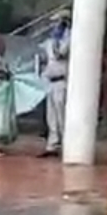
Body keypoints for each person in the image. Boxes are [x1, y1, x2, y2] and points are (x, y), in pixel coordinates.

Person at [38, 15, 70, 158]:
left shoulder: (68, 39)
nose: (53, 26)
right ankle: (52, 145)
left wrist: (57, 39)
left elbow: (60, 53)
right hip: (49, 81)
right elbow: (41, 54)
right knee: (51, 117)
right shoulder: (49, 41)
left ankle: (67, 145)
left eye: (56, 22)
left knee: (61, 115)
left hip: (61, 81)